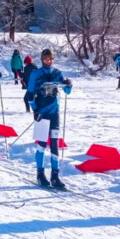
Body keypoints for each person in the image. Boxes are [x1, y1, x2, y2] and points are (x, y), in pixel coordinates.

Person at [26, 48, 72, 189]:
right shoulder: (36, 74)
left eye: (51, 59)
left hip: (54, 113)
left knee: (54, 144)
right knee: (41, 143)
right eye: (46, 59)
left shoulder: (57, 73)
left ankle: (55, 175)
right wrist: (34, 109)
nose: (49, 61)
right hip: (41, 112)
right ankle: (40, 174)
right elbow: (29, 94)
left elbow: (67, 90)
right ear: (42, 59)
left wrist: (69, 84)